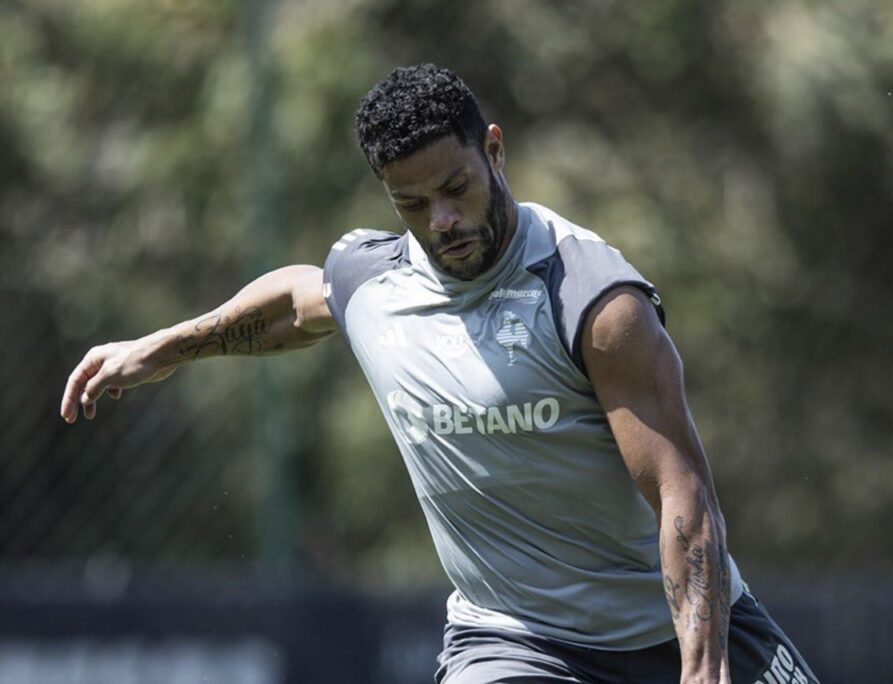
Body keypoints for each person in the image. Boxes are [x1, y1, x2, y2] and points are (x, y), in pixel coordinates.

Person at [60, 63, 818, 684]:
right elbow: (297, 300)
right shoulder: (375, 282)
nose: (441, 222)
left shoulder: (591, 300)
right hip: (514, 643)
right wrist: (165, 346)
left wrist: (705, 666)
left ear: (493, 150)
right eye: (412, 204)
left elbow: (683, 493)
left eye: (455, 190)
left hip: (675, 632)